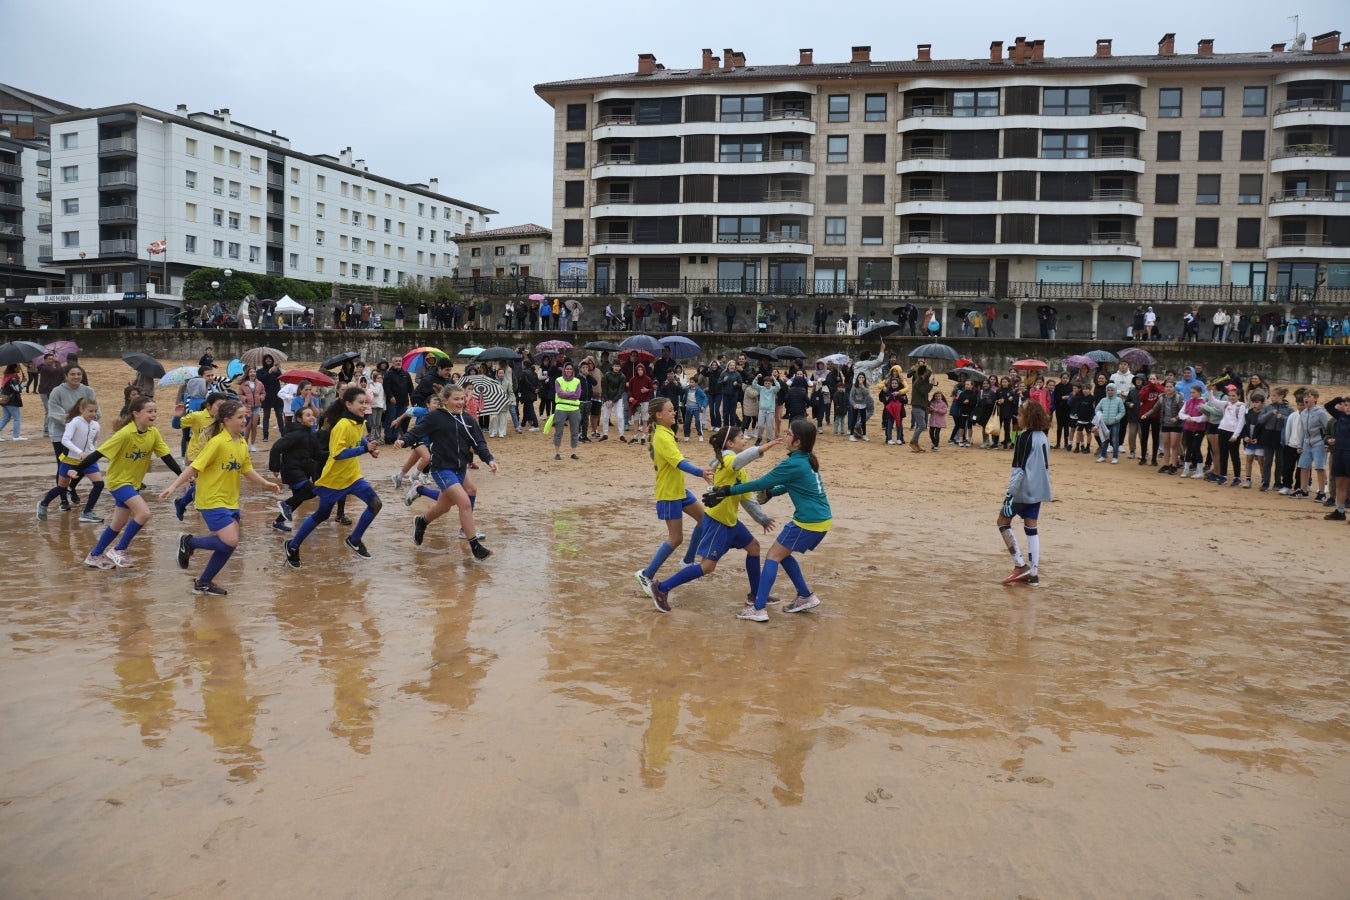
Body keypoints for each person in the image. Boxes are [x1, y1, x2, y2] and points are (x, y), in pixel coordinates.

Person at [703, 419, 831, 622]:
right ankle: (805, 596)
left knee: (772, 556)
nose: (785, 436)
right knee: (783, 554)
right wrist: (772, 492)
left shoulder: (792, 463)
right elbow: (792, 485)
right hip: (820, 520)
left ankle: (758, 608)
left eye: (789, 434)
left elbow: (761, 482)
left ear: (797, 441)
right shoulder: (807, 458)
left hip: (807, 522)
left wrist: (727, 491)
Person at [650, 427, 780, 611]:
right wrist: (761, 449)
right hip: (718, 522)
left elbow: (746, 499)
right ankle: (661, 588)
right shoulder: (727, 460)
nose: (745, 440)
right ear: (729, 443)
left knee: (754, 547)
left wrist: (762, 519)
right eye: (741, 438)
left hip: (731, 522)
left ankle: (756, 594)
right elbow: (738, 461)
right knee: (707, 567)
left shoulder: (739, 470)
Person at [158, 401, 280, 595]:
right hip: (211, 498)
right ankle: (189, 542)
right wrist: (173, 486)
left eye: (244, 416)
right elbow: (194, 466)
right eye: (239, 417)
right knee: (230, 540)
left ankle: (204, 582)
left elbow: (246, 469)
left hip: (230, 500)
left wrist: (266, 484)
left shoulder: (241, 442)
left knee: (229, 545)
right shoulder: (217, 442)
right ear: (226, 420)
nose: (244, 420)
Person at [72, 397, 183, 569]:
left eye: (155, 411)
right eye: (149, 411)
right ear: (136, 413)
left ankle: (94, 556)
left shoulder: (153, 433)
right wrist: (77, 470)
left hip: (133, 484)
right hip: (119, 482)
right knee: (144, 513)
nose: (154, 414)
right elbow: (97, 454)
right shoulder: (124, 434)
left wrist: (182, 476)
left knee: (118, 523)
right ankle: (119, 549)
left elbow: (166, 457)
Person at [283, 387, 384, 568]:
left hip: (352, 476)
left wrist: (369, 446)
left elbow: (358, 439)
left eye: (365, 403)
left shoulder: (358, 421)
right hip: (334, 480)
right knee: (322, 515)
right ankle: (292, 545)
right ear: (348, 404)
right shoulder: (342, 425)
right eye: (360, 403)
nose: (364, 406)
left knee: (376, 504)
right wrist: (363, 450)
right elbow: (337, 454)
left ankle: (354, 539)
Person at [398, 384, 496, 559]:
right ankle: (475, 546)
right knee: (464, 503)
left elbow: (479, 442)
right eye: (456, 399)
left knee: (444, 506)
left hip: (461, 467)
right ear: (445, 400)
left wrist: (489, 459)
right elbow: (417, 432)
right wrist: (404, 441)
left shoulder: (467, 419)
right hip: (442, 468)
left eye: (462, 398)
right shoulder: (436, 417)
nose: (460, 402)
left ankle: (422, 521)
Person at [635, 397, 714, 609]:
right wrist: (701, 472)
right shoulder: (662, 437)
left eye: (673, 410)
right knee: (676, 538)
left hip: (679, 490)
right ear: (658, 415)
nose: (674, 413)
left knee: (705, 521)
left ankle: (687, 561)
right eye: (670, 410)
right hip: (669, 494)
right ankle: (646, 574)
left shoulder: (667, 432)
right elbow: (679, 462)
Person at [997, 400, 1053, 586]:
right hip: (1039, 489)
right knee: (1031, 527)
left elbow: (1018, 469)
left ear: (1028, 417)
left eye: (1020, 415)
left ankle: (1020, 565)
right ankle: (1034, 575)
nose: (1017, 418)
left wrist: (1009, 494)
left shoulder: (1024, 437)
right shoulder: (1043, 436)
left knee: (1002, 522)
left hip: (1023, 489)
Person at [37, 398, 104, 522]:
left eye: (95, 411)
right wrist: (79, 452)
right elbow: (65, 440)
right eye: (90, 411)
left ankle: (87, 512)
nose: (94, 414)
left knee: (99, 484)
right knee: (62, 488)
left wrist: (92, 454)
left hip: (87, 461)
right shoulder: (75, 422)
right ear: (81, 410)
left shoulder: (96, 425)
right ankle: (43, 504)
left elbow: (94, 442)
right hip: (70, 460)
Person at [169, 391, 232, 522]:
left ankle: (182, 503)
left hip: (214, 457)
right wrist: (177, 416)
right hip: (197, 456)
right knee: (204, 485)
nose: (222, 409)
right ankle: (206, 512)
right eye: (219, 405)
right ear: (209, 406)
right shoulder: (197, 416)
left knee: (207, 485)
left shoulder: (223, 420)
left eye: (224, 406)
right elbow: (176, 425)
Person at [269, 404, 325, 533]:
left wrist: (335, 454)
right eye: (308, 415)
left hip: (303, 471)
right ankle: (285, 504)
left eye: (312, 415)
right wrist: (275, 468)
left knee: (299, 498)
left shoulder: (311, 434)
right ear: (299, 419)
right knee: (311, 492)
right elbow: (276, 448)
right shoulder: (295, 434)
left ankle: (278, 522)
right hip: (291, 470)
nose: (312, 418)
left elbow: (317, 454)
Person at [551, 361, 583, 461]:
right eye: (567, 368)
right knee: (558, 432)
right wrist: (571, 394)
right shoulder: (558, 380)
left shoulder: (577, 381)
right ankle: (557, 453)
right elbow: (559, 393)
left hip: (574, 408)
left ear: (573, 370)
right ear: (564, 369)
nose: (568, 370)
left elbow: (577, 395)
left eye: (570, 369)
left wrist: (566, 394)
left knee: (575, 431)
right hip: (561, 408)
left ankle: (573, 452)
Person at [237, 366, 265, 452]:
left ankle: (252, 444)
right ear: (248, 374)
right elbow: (239, 394)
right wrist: (245, 399)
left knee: (254, 426)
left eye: (254, 372)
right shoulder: (244, 384)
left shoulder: (259, 383)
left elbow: (263, 392)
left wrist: (261, 397)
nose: (253, 373)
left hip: (256, 407)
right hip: (247, 407)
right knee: (247, 426)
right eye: (251, 372)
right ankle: (245, 443)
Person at [1095, 384, 1126, 463]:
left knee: (1114, 440)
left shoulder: (1119, 400)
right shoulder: (1103, 400)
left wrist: (1116, 418)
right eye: (1108, 390)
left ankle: (1115, 457)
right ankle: (1103, 456)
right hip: (1104, 424)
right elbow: (1097, 409)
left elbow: (1122, 412)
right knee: (1104, 440)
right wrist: (1100, 416)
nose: (1110, 391)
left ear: (1115, 391)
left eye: (1112, 390)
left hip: (1115, 423)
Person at [0, 364, 24, 440]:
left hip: (4, 400)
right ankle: (16, 436)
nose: (20, 369)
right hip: (11, 401)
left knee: (5, 418)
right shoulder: (13, 378)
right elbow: (18, 389)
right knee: (17, 418)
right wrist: (24, 383)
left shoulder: (7, 376)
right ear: (14, 368)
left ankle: (16, 436)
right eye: (18, 367)